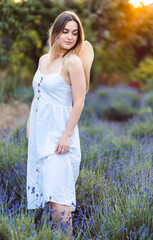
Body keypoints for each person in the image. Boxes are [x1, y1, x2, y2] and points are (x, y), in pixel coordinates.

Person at [26, 10, 94, 238]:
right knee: (48, 195)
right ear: (55, 31)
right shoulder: (44, 60)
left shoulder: (72, 62)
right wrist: (29, 125)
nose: (69, 37)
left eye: (74, 33)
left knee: (59, 199)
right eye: (65, 31)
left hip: (59, 136)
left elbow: (80, 100)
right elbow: (38, 94)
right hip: (41, 133)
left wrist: (66, 135)